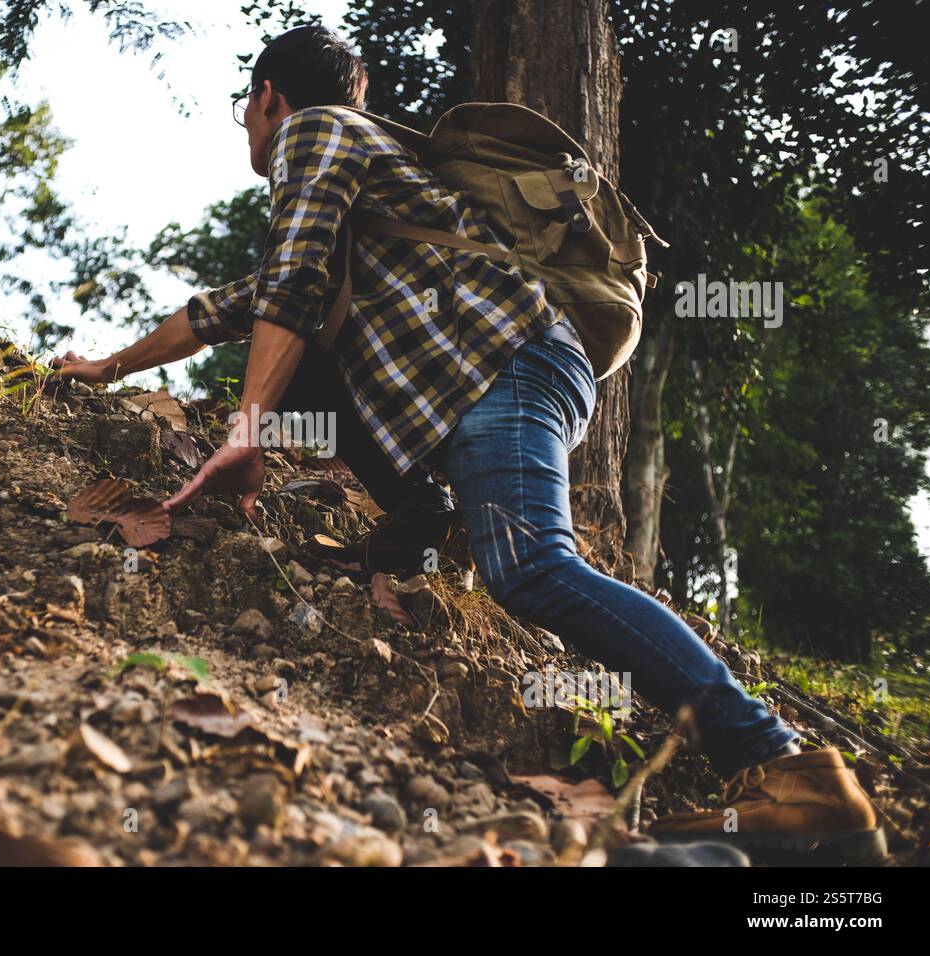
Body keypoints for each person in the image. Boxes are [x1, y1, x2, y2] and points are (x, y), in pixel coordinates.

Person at [50, 25, 883, 864]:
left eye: (248, 111)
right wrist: (107, 367)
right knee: (508, 549)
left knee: (533, 567)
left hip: (506, 366)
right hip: (504, 376)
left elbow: (295, 279)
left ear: (268, 96)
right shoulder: (362, 187)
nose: (252, 128)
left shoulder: (315, 130)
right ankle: (428, 511)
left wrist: (248, 428)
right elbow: (228, 307)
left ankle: (785, 767)